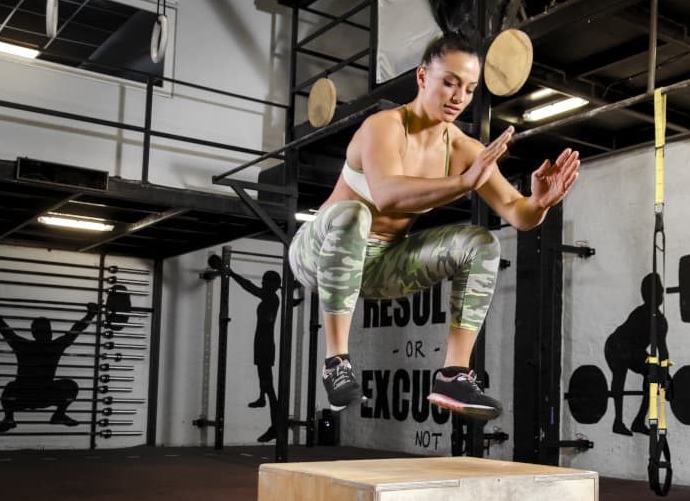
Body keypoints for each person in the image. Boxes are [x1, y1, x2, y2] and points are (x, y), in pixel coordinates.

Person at [288, 31, 581, 421]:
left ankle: (453, 375)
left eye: (470, 88)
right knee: (354, 215)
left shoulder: (463, 149)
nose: (459, 97)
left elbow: (517, 213)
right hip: (318, 254)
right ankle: (335, 364)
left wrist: (541, 203)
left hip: (381, 266)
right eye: (450, 82)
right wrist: (463, 183)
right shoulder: (385, 128)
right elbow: (389, 195)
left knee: (482, 244)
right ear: (423, 77)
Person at [0, 296, 97, 433]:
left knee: (11, 387)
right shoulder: (54, 346)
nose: (47, 333)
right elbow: (75, 330)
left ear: (33, 333)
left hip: (26, 398)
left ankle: (11, 418)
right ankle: (54, 415)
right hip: (39, 396)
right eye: (46, 330)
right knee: (69, 386)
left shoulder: (24, 345)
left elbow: (2, 327)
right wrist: (91, 314)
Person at [218, 263, 302, 443]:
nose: (262, 284)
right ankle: (262, 398)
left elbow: (249, 286)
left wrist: (231, 273)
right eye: (263, 282)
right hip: (261, 344)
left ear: (272, 285)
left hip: (265, 346)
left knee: (271, 388)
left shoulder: (271, 298)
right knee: (265, 382)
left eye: (265, 282)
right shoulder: (271, 298)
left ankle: (276, 426)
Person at [604, 273, 668, 436]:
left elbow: (663, 351)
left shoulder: (660, 321)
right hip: (616, 347)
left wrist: (664, 373)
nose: (662, 293)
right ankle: (618, 422)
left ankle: (638, 421)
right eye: (659, 291)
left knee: (655, 373)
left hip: (634, 351)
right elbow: (625, 343)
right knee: (620, 376)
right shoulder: (639, 314)